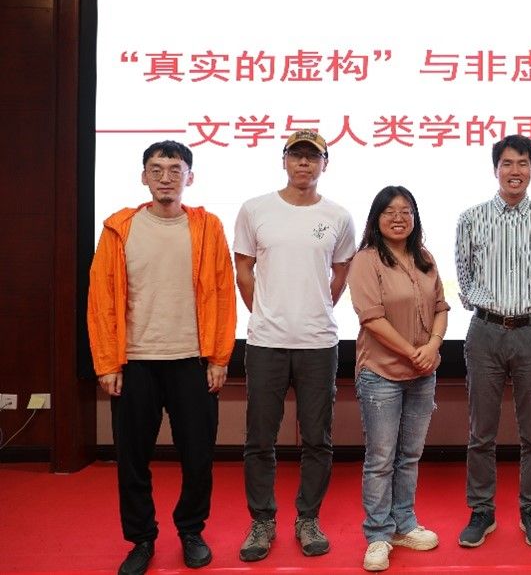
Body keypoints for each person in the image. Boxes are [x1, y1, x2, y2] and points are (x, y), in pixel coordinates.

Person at [87, 140, 235, 575]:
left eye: (175, 170)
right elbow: (101, 299)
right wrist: (107, 363)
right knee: (132, 460)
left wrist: (219, 357)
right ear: (143, 177)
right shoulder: (120, 228)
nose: (165, 178)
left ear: (190, 177)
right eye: (156, 169)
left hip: (193, 360)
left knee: (198, 457)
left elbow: (223, 293)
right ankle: (141, 539)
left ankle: (191, 530)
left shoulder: (208, 227)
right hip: (135, 362)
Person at [233, 130, 356, 562]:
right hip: (265, 342)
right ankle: (262, 521)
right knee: (259, 438)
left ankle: (308, 519)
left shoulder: (338, 216)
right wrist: (264, 312)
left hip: (318, 343)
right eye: (296, 155)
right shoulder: (255, 210)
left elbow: (340, 274)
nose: (304, 163)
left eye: (312, 156)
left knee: (317, 439)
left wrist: (315, 308)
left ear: (325, 164)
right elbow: (243, 270)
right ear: (283, 161)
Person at [454, 135, 531, 548]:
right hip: (485, 332)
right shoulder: (471, 218)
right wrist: (487, 305)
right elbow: (464, 276)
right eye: (507, 163)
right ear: (495, 169)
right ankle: (481, 510)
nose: (515, 171)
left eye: (522, 163)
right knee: (481, 431)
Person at [347, 186, 449, 572]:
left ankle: (404, 524)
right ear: (376, 218)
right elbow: (371, 318)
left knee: (410, 456)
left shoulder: (424, 257)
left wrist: (433, 345)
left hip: (423, 373)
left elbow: (441, 307)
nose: (398, 218)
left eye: (406, 211)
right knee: (381, 459)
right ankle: (377, 534)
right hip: (381, 374)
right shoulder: (366, 260)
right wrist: (413, 351)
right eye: (389, 211)